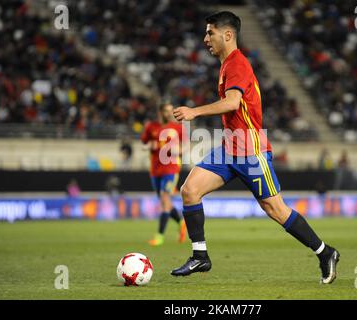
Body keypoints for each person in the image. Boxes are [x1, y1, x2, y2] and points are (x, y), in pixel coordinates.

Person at [171, 11, 340, 284]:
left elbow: (232, 103)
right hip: (230, 147)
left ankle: (325, 252)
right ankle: (200, 256)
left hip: (251, 150)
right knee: (190, 190)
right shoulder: (227, 65)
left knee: (276, 209)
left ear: (227, 35)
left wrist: (194, 112)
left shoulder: (237, 64)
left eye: (210, 33)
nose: (205, 39)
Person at [141, 103, 187, 246]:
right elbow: (144, 143)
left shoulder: (178, 128)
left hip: (171, 169)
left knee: (165, 199)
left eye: (170, 111)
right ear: (160, 112)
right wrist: (149, 146)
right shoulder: (151, 127)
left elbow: (185, 146)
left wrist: (177, 151)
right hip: (155, 170)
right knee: (164, 202)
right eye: (166, 111)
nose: (169, 113)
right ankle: (181, 222)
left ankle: (159, 236)